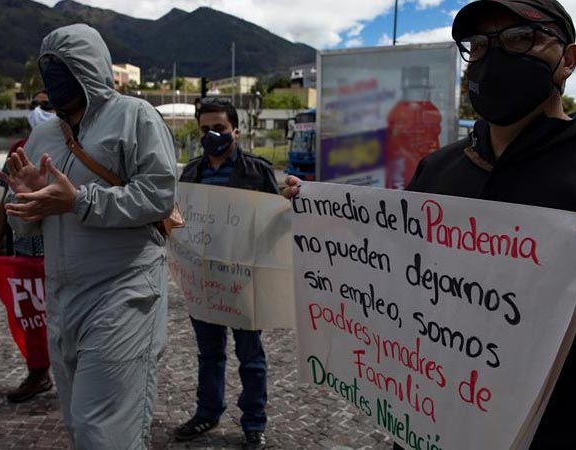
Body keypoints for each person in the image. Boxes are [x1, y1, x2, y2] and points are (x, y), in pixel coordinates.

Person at [285, 1, 576, 448]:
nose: (493, 56)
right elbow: (395, 270)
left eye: (520, 38)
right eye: (479, 45)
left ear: (568, 60)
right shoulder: (438, 169)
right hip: (432, 414)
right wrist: (319, 217)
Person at [0, 24, 177, 449]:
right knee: (80, 426)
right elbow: (26, 223)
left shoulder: (135, 116)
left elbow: (157, 195)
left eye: (62, 67)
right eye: (46, 70)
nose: (53, 79)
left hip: (123, 293)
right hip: (62, 300)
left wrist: (79, 200)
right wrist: (24, 201)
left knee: (106, 431)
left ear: (89, 67)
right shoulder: (43, 135)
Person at [173, 98, 279, 450]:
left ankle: (254, 421)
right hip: (203, 281)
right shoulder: (191, 173)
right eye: (205, 129)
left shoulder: (257, 171)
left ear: (236, 129)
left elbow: (276, 223)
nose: (212, 135)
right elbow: (179, 221)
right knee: (209, 354)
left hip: (243, 280)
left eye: (219, 128)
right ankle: (207, 412)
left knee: (250, 355)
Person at [0, 90, 55, 403]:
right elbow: (5, 201)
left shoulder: (72, 147)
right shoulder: (18, 149)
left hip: (57, 249)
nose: (39, 110)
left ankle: (74, 375)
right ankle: (38, 372)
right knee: (31, 315)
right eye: (35, 105)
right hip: (24, 249)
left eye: (47, 105)